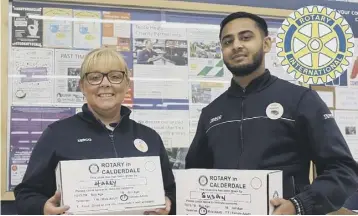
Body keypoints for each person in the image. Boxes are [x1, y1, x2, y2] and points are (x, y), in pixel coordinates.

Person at [185, 11, 358, 215]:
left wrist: (299, 204)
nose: (236, 45)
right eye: (227, 41)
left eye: (246, 37)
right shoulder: (211, 113)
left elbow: (343, 169)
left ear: (266, 44)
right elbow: (195, 175)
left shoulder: (301, 100)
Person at [14, 47, 176, 215]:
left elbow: (170, 190)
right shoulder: (57, 134)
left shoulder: (149, 137)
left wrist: (169, 202)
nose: (105, 83)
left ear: (127, 84)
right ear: (82, 86)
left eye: (115, 76)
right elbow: (26, 194)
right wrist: (43, 208)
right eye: (95, 77)